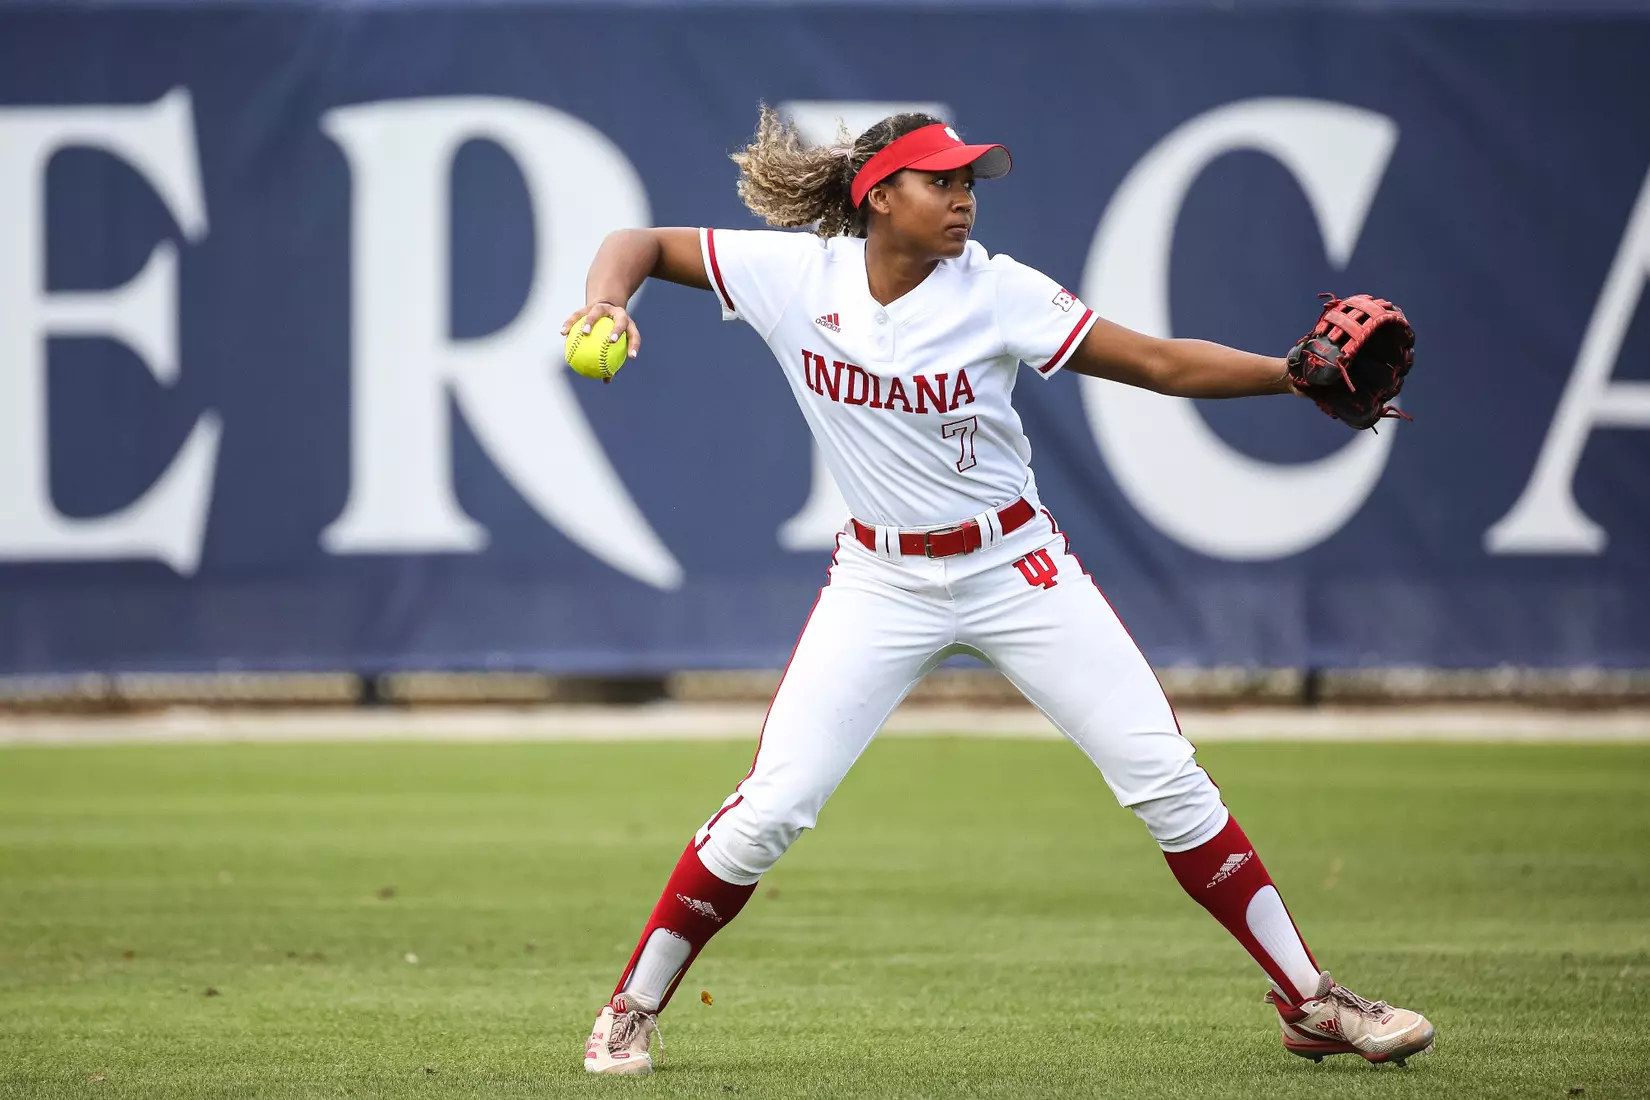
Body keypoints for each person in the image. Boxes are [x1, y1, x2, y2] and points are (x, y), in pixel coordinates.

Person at [572, 107, 1434, 1077]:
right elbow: (635, 242)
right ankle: (630, 1007)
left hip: (1015, 567)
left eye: (971, 181)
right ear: (878, 195)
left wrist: (1286, 375)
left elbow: (1151, 361)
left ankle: (1313, 999)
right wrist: (610, 302)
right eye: (941, 181)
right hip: (881, 578)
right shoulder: (795, 275)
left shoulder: (997, 290)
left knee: (1165, 775)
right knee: (774, 802)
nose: (964, 197)